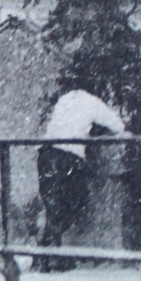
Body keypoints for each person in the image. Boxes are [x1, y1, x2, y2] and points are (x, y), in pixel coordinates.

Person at [37, 78, 127, 271]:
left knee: (53, 205)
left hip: (47, 153)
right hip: (69, 155)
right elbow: (117, 125)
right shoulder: (92, 102)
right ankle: (52, 251)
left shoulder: (64, 99)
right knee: (75, 203)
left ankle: (48, 253)